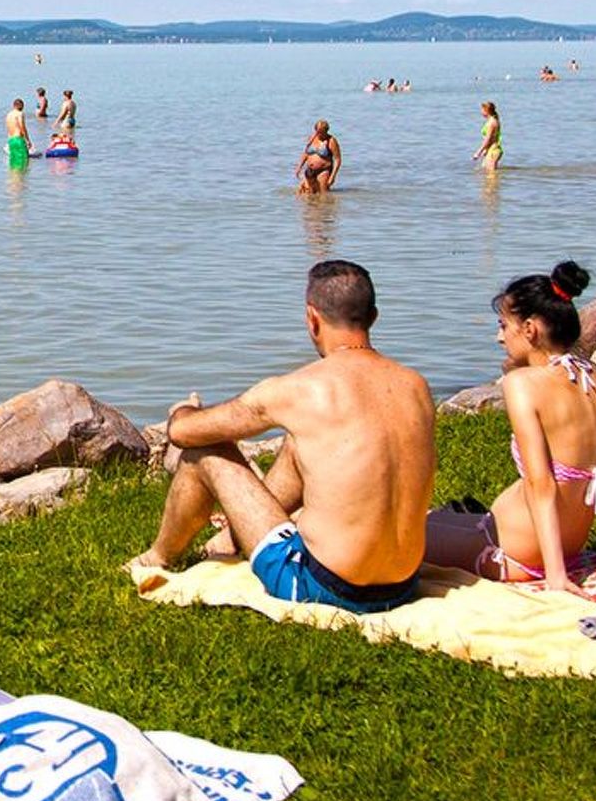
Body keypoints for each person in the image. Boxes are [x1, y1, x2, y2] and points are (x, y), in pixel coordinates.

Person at [131, 260, 435, 615]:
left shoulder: (299, 389)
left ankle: (157, 558)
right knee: (299, 442)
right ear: (374, 316)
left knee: (207, 451)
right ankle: (231, 539)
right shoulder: (415, 385)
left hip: (324, 586)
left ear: (312, 318)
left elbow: (184, 434)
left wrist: (183, 410)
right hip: (402, 585)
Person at [424, 262, 596, 592]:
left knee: (396, 530)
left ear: (529, 329)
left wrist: (555, 575)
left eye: (503, 325)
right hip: (563, 544)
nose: (499, 337)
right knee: (431, 517)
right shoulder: (594, 376)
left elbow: (542, 484)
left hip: (514, 550)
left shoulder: (523, 384)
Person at [295, 120, 340, 193]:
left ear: (326, 131)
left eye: (322, 132)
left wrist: (333, 176)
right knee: (308, 193)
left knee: (322, 194)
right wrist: (299, 166)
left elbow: (338, 160)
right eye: (318, 131)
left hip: (324, 170)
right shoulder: (312, 138)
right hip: (310, 171)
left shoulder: (331, 141)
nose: (320, 134)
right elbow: (306, 153)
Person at [474, 101, 502, 170]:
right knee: (486, 173)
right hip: (491, 149)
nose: (481, 112)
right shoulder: (492, 121)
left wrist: (478, 152)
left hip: (493, 150)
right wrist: (486, 150)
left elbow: (488, 139)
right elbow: (492, 138)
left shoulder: (492, 123)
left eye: (482, 110)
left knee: (491, 176)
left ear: (487, 111)